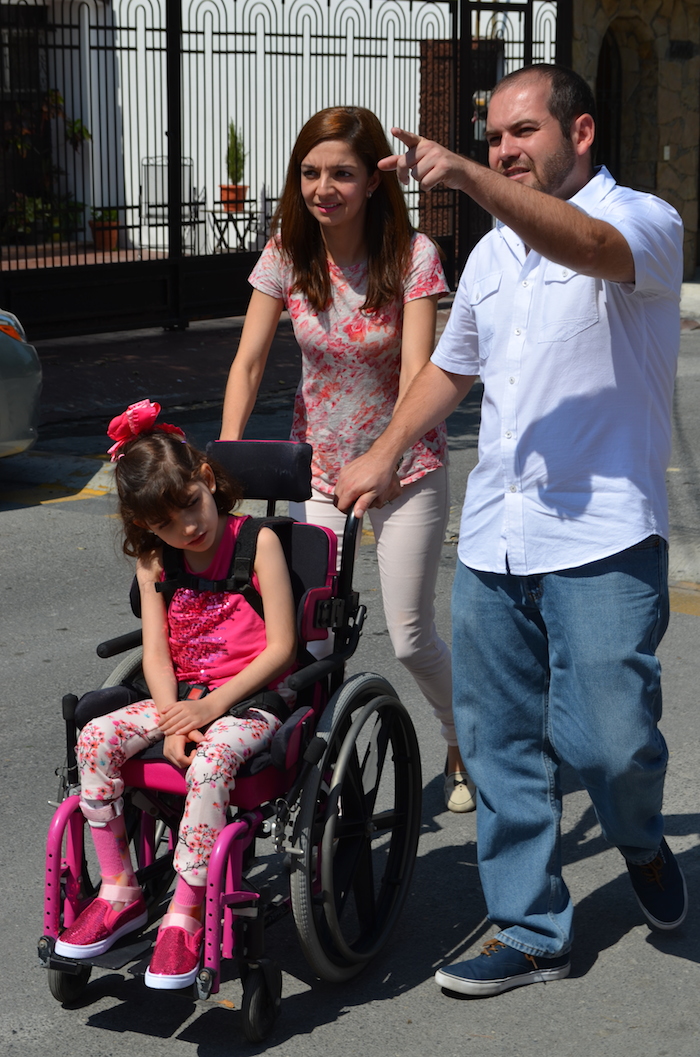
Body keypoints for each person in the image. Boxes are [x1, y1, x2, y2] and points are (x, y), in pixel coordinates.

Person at [334, 64, 688, 996]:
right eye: (493, 139)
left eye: (521, 133)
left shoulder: (645, 222)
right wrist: (380, 452)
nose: (503, 151)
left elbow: (588, 246)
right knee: (498, 742)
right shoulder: (492, 258)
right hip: (496, 536)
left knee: (612, 745)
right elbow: (452, 373)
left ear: (582, 132)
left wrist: (463, 176)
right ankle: (532, 927)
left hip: (605, 539)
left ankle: (640, 838)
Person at [220, 105, 475, 812]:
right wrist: (228, 458)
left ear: (371, 182)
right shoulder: (286, 253)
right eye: (310, 172)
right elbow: (248, 363)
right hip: (321, 472)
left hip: (406, 467)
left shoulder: (412, 256)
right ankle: (318, 764)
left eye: (341, 173)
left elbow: (423, 370)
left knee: (410, 633)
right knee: (307, 629)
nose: (322, 187)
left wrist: (389, 456)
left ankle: (462, 738)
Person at [54, 398, 297, 989]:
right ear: (144, 528)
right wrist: (173, 720)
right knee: (95, 738)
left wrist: (210, 710)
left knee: (213, 760)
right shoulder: (155, 558)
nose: (187, 527)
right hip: (181, 698)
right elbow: (156, 653)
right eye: (165, 523)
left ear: (206, 479)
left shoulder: (257, 541)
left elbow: (283, 650)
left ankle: (186, 910)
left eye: (191, 505)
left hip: (251, 698)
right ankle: (120, 889)